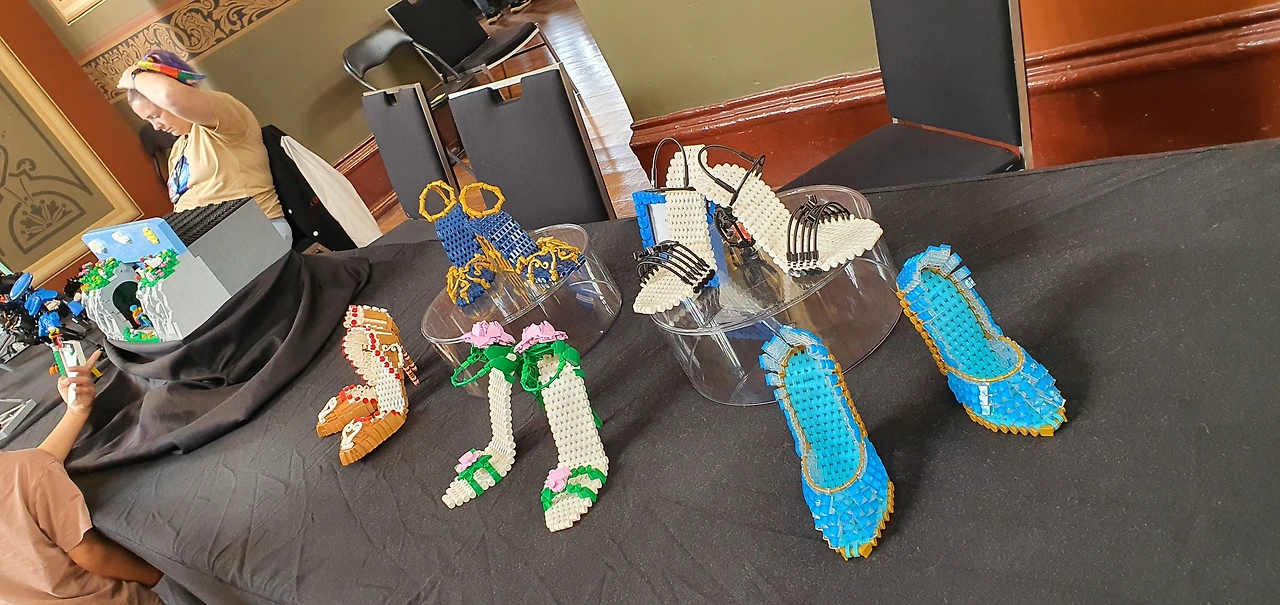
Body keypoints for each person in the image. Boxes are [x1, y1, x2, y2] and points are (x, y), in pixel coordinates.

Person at [0, 350, 165, 604]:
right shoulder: (24, 470)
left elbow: (29, 475)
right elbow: (92, 554)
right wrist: (155, 573)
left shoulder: (24, 470)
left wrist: (76, 412)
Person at [118, 51, 293, 246]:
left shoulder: (222, 115)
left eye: (156, 116)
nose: (156, 127)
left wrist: (135, 76)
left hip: (256, 232)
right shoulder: (178, 148)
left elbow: (169, 95)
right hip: (213, 243)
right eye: (148, 121)